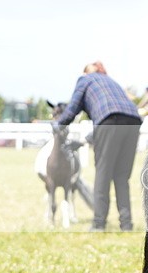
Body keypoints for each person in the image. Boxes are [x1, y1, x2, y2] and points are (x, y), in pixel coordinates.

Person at [55, 61, 142, 231]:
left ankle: (98, 223)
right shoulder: (111, 82)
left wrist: (59, 124)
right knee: (122, 177)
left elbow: (73, 108)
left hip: (109, 121)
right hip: (133, 121)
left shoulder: (85, 80)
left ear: (86, 72)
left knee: (103, 173)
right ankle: (126, 224)